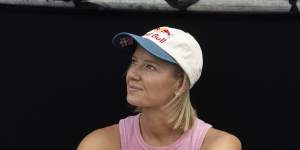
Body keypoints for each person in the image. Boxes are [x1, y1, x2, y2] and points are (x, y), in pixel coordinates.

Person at [77, 26, 241, 150]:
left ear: (181, 83)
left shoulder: (219, 144)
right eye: (134, 61)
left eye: (149, 67)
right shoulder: (100, 143)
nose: (132, 74)